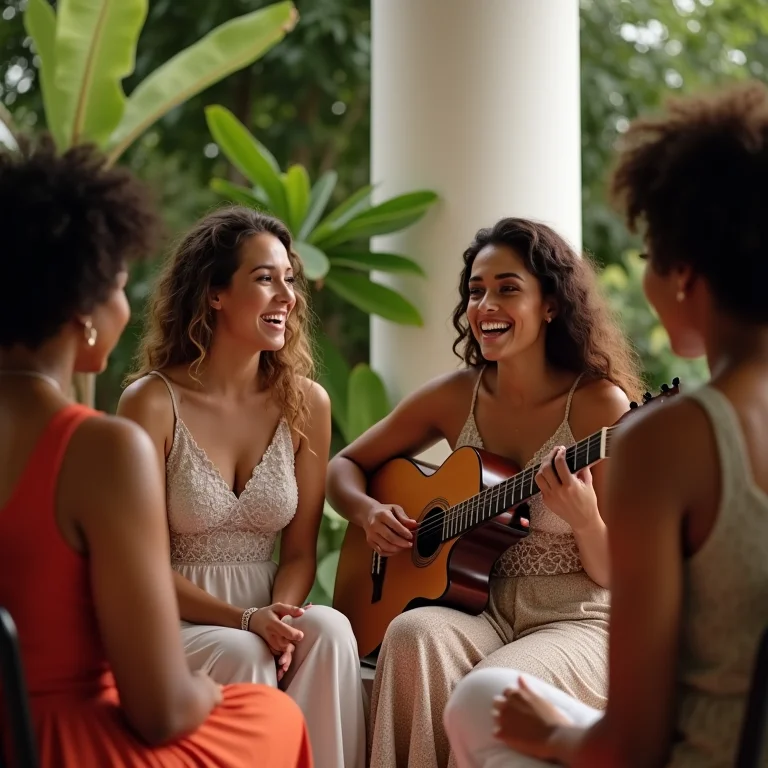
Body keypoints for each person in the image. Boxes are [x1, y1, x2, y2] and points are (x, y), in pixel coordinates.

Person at [444, 82, 768, 768]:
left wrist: (551, 735)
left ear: (681, 272)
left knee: (482, 705)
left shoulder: (672, 437)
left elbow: (630, 744)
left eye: (649, 250)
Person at [0, 137, 312, 767]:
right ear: (83, 309)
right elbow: (161, 710)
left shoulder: (300, 402)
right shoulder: (96, 446)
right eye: (118, 287)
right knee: (271, 714)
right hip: (54, 742)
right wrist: (205, 685)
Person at [326, 216, 643, 768]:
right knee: (411, 634)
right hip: (482, 609)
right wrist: (370, 510)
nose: (486, 305)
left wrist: (586, 519)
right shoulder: (456, 396)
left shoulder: (600, 408)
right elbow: (345, 466)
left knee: (494, 685)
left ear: (551, 305)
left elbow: (619, 574)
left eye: (507, 289)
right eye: (476, 291)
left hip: (581, 620)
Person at [118, 206, 365, 768]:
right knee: (243, 651)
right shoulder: (152, 403)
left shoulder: (307, 405)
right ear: (214, 294)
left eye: (289, 280)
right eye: (264, 278)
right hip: (173, 622)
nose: (287, 296)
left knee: (329, 629)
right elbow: (143, 568)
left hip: (266, 614)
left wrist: (278, 616)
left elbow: (301, 552)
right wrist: (249, 623)